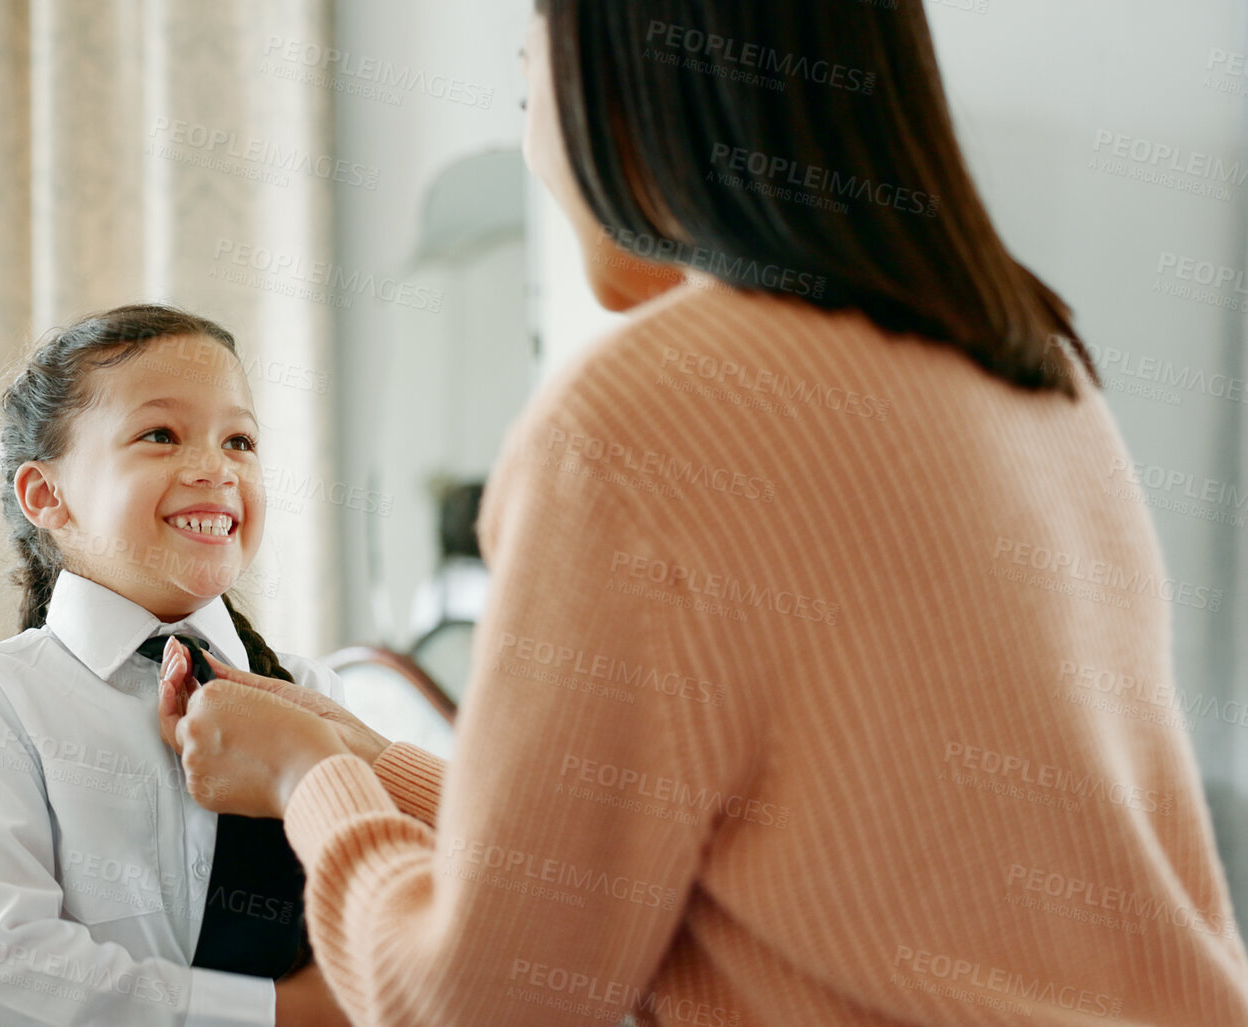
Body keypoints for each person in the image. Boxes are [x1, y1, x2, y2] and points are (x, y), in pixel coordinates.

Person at [154, 3, 1248, 1025]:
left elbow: (478, 997)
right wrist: (369, 755)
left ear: (629, 94)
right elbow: (729, 850)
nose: (536, 140)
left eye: (531, 84)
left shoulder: (635, 420)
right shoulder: (1036, 367)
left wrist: (309, 782)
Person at [0, 304, 351, 1026]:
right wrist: (277, 1013)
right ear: (46, 494)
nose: (215, 467)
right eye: (160, 434)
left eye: (239, 439)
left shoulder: (309, 693)